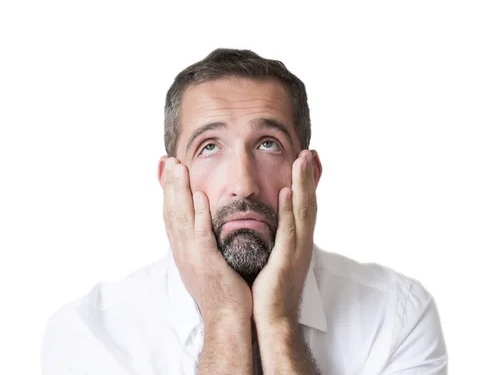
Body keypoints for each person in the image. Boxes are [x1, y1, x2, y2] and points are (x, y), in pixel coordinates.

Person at [41, 48, 448, 374]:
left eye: (268, 144)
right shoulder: (91, 336)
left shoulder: (397, 317)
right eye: (210, 147)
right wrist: (224, 318)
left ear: (308, 175)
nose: (243, 184)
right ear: (171, 182)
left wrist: (279, 325)